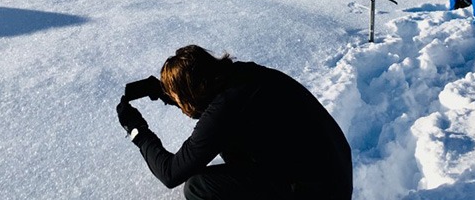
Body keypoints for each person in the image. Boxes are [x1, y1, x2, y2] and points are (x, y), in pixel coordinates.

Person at [116, 45, 353, 200]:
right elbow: (202, 100)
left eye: (177, 97)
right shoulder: (241, 77)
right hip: (334, 171)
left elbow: (171, 173)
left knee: (198, 187)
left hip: (316, 190)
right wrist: (166, 92)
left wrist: (138, 132)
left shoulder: (224, 109)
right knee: (234, 150)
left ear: (189, 93)